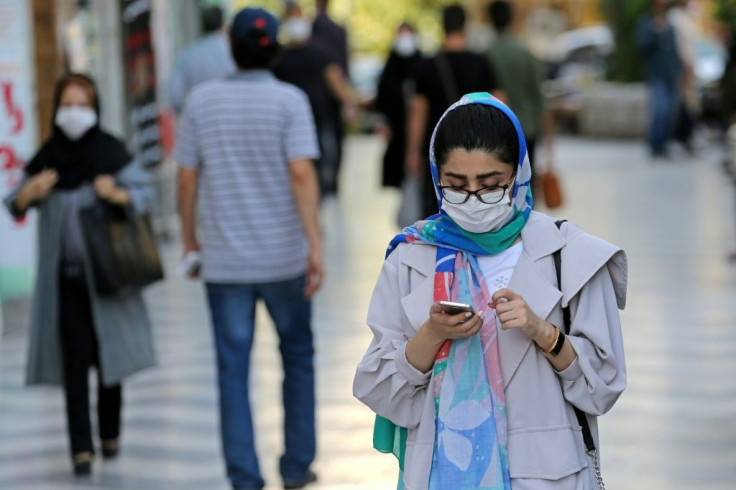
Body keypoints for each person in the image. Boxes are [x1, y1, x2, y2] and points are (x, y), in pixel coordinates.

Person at [353, 93, 627, 489]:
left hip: (546, 474)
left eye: (491, 185)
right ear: (437, 177)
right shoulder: (411, 256)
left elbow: (603, 386)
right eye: (456, 185)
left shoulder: (571, 256)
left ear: (517, 175)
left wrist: (545, 334)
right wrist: (430, 337)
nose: (474, 200)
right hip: (440, 474)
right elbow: (378, 389)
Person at [174, 8, 323, 490]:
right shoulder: (290, 101)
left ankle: (244, 475)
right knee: (297, 357)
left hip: (225, 262)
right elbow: (302, 173)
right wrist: (314, 243)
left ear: (231, 49)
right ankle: (297, 465)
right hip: (284, 258)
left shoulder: (200, 102)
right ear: (274, 48)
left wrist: (189, 238)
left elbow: (186, 176)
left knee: (233, 370)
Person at [3, 73, 156, 476]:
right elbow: (14, 202)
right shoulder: (47, 158)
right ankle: (81, 450)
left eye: (82, 105)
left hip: (107, 278)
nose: (74, 113)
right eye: (67, 104)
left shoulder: (110, 153)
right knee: (75, 364)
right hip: (66, 281)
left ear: (96, 109)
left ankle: (109, 434)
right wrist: (29, 194)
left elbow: (145, 193)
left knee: (110, 361)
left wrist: (117, 194)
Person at [407, 4, 504, 219]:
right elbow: (500, 104)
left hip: (437, 149)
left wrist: (413, 152)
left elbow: (418, 113)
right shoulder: (481, 63)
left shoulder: (427, 66)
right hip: (480, 147)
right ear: (464, 27)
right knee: (477, 205)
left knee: (437, 206)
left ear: (443, 27)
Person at [274, 1, 355, 198]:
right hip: (291, 124)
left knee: (321, 165)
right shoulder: (280, 57)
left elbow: (335, 78)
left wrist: (348, 102)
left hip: (321, 119)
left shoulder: (319, 50)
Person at [486, 0, 547, 191]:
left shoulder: (486, 54)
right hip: (526, 126)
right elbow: (538, 94)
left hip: (496, 130)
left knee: (499, 183)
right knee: (527, 180)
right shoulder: (524, 53)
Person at [374, 23, 424, 189]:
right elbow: (382, 97)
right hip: (397, 132)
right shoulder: (390, 67)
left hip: (422, 133)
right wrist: (382, 123)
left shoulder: (423, 65)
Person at [310, 0, 351, 197]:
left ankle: (327, 183)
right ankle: (331, 183)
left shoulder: (316, 30)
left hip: (320, 102)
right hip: (330, 102)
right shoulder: (337, 30)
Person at [636, 0, 684, 158]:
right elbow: (642, 47)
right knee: (660, 110)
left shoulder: (670, 25)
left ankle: (664, 145)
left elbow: (675, 52)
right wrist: (655, 32)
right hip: (657, 75)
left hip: (671, 75)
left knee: (670, 111)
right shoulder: (647, 24)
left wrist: (680, 72)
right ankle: (655, 145)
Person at [168, 6, 236, 115]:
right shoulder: (233, 51)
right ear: (223, 23)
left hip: (202, 118)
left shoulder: (188, 54)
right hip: (232, 114)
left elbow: (174, 95)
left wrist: (187, 115)